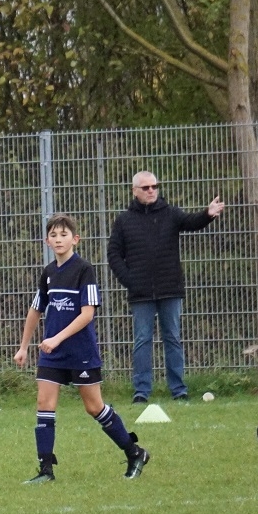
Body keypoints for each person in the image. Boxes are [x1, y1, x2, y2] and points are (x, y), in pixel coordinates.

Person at [14, 213, 149, 483]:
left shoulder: (84, 270)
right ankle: (46, 470)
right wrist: (24, 347)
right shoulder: (48, 273)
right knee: (44, 403)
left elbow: (87, 314)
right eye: (53, 235)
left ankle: (134, 452)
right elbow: (35, 309)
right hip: (53, 354)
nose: (58, 239)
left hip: (80, 352)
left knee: (94, 407)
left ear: (75, 239)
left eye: (64, 235)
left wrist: (57, 338)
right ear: (47, 241)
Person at [107, 170, 224, 403]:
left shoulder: (170, 213)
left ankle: (178, 390)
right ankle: (141, 391)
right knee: (142, 340)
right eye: (146, 187)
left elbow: (191, 222)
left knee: (172, 338)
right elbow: (114, 254)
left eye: (154, 186)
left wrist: (208, 214)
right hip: (140, 293)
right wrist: (130, 280)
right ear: (135, 191)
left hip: (170, 288)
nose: (151, 190)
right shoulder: (124, 220)